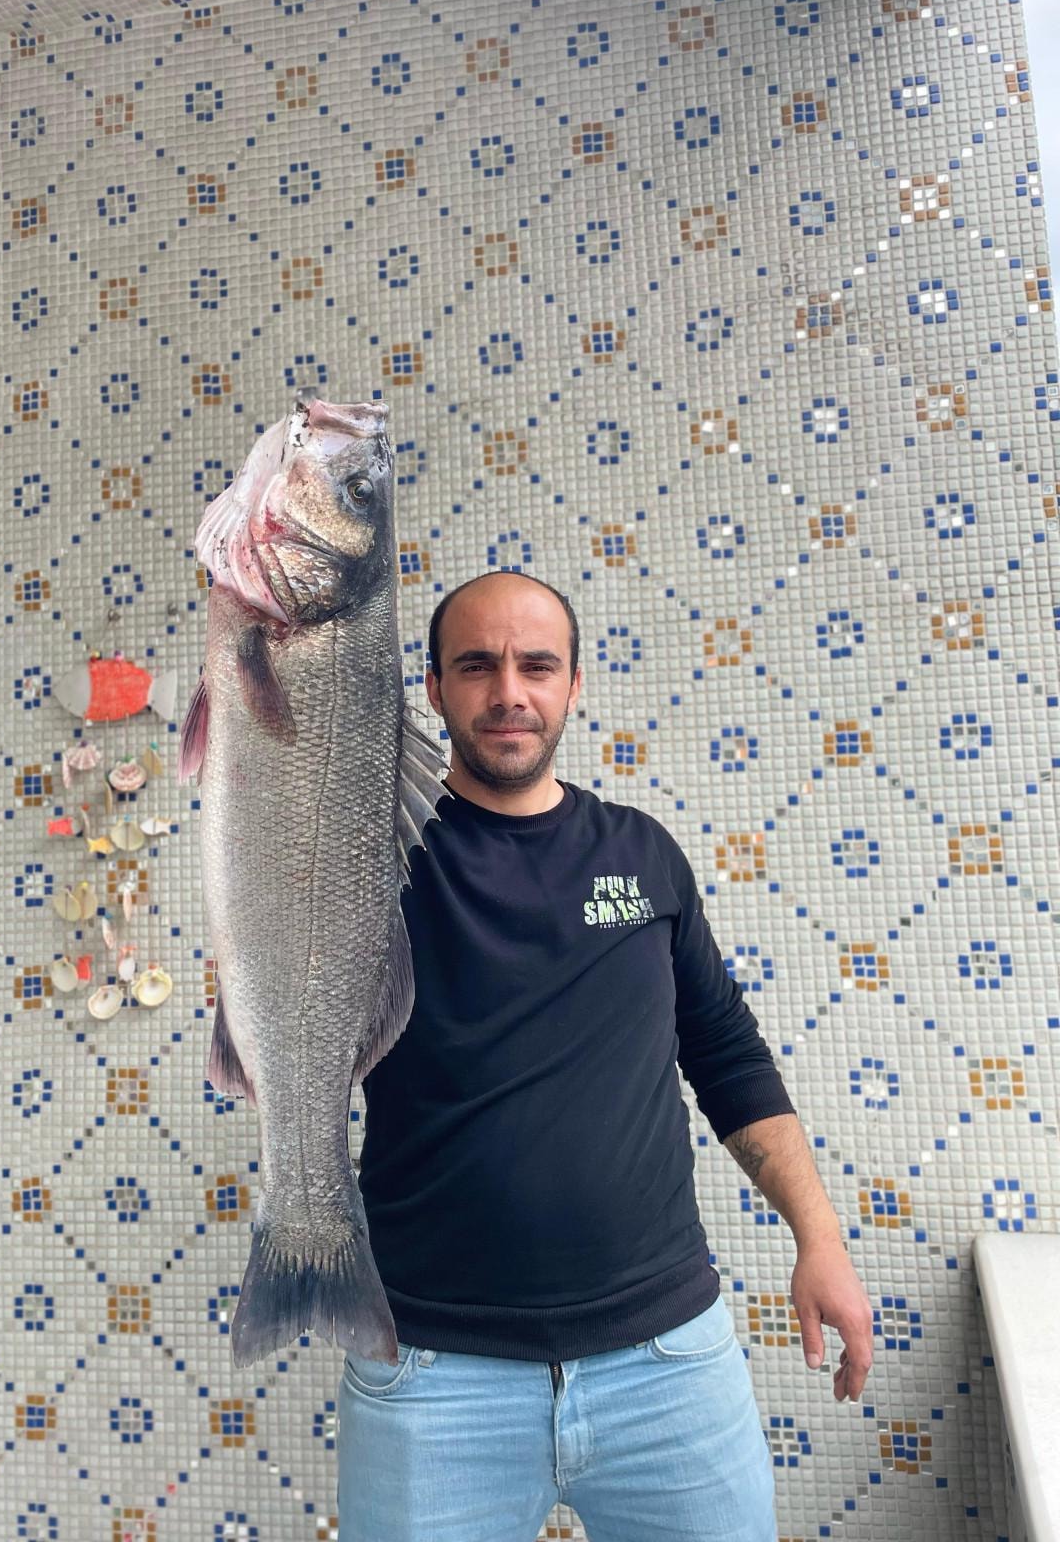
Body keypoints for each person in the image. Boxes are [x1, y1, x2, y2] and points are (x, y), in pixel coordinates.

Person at [335, 570, 873, 1542]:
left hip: (667, 1365)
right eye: (477, 666)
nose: (509, 691)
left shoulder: (643, 856)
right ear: (435, 689)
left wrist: (819, 1237)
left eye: (537, 665)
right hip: (431, 1375)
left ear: (574, 684)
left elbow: (728, 1056)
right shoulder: (375, 859)